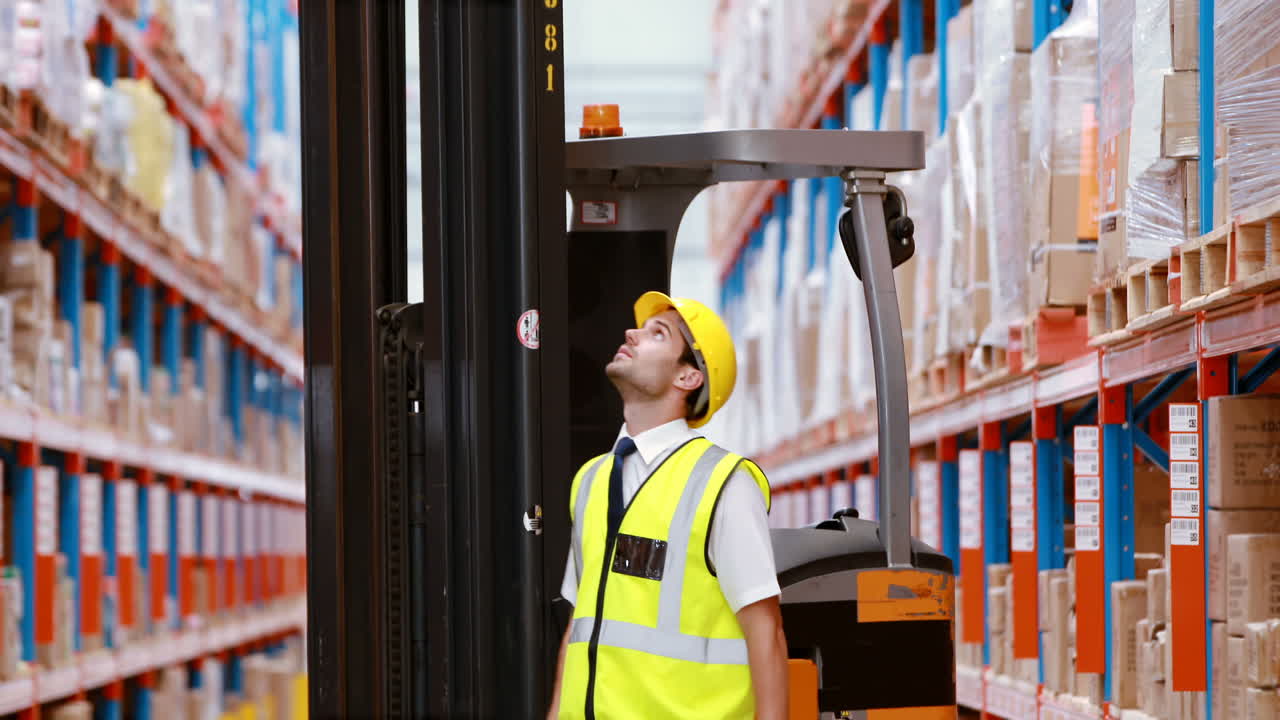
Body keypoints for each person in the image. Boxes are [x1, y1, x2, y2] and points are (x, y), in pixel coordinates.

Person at [547, 291, 789, 720]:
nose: (631, 334)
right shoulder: (591, 481)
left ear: (688, 378)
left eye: (657, 334)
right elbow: (579, 624)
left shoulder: (723, 484)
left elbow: (765, 632)